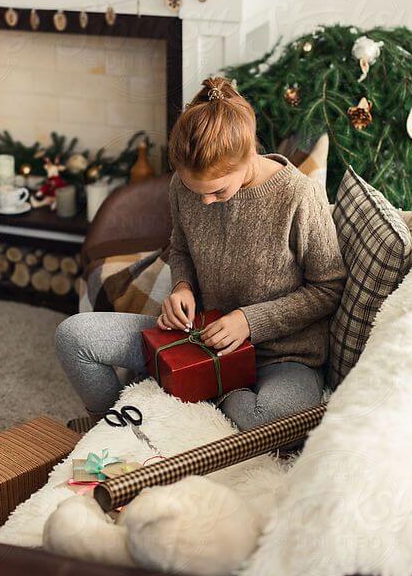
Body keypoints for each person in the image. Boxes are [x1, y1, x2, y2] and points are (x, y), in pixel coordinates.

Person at [56, 76, 346, 432]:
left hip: (281, 355)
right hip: (195, 341)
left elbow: (328, 288)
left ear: (249, 154)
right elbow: (181, 248)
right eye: (197, 192)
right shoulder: (184, 187)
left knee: (266, 421)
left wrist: (248, 321)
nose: (205, 202)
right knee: (73, 337)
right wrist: (181, 288)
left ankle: (196, 394)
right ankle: (117, 429)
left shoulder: (298, 197)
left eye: (217, 191)